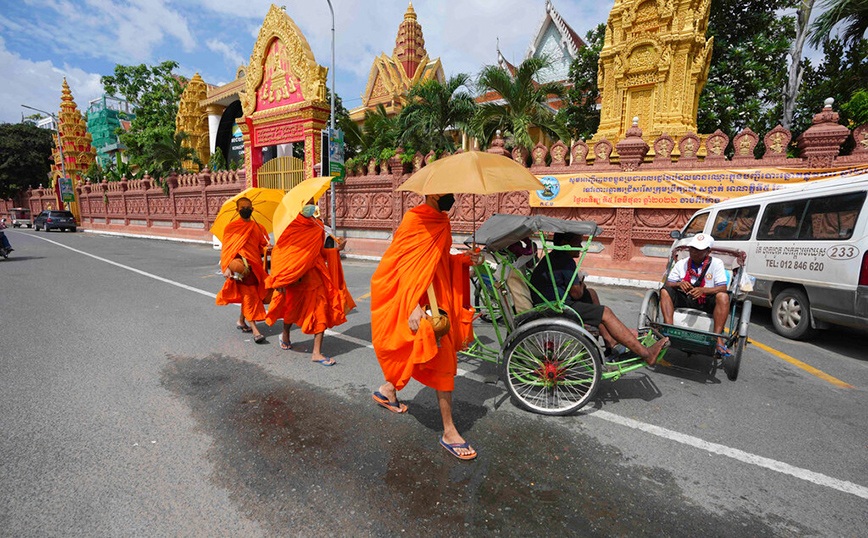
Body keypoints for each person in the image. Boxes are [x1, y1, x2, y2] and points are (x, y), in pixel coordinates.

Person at [370, 193, 481, 460]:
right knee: (442, 360)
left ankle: (387, 390)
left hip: (437, 296)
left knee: (415, 351)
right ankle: (449, 430)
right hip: (419, 299)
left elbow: (440, 260)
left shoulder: (442, 220)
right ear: (431, 193)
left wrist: (465, 259)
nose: (451, 198)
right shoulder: (413, 219)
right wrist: (411, 305)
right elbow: (402, 266)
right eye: (446, 193)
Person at [530, 232, 669, 365]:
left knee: (591, 293)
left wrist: (581, 286)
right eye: (577, 243)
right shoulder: (566, 261)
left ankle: (609, 340)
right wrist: (581, 283)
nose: (580, 246)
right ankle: (646, 354)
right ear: (565, 243)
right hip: (555, 307)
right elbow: (576, 294)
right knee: (606, 312)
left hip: (548, 302)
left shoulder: (553, 257)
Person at [264, 201, 355, 366]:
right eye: (307, 204)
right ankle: (285, 335)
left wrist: (336, 249)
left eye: (313, 204)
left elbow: (319, 251)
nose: (311, 207)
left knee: (321, 310)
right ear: (299, 207)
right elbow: (281, 252)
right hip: (295, 277)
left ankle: (316, 352)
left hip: (314, 275)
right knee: (291, 309)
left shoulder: (317, 225)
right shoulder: (289, 227)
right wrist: (280, 278)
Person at [660, 233, 731, 355]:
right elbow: (669, 283)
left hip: (706, 301)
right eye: (692, 249)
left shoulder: (716, 264)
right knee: (665, 291)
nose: (694, 252)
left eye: (699, 250)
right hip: (686, 298)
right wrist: (679, 284)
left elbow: (723, 287)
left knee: (723, 296)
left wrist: (704, 290)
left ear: (708, 251)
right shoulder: (682, 263)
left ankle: (717, 338)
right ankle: (669, 329)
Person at [216, 197, 270, 343]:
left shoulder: (259, 227)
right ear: (237, 210)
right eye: (243, 208)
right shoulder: (231, 228)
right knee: (249, 296)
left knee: (253, 296)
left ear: (252, 209)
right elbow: (226, 250)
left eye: (248, 207)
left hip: (256, 268)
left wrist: (267, 249)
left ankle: (241, 321)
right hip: (240, 268)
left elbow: (262, 247)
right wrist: (227, 267)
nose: (246, 210)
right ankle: (255, 330)